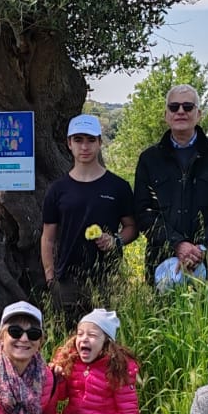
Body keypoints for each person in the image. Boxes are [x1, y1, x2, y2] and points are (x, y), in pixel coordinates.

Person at [132, 84, 208, 294]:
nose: (180, 111)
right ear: (166, 115)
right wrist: (177, 244)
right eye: (174, 107)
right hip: (161, 262)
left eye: (187, 106)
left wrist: (201, 247)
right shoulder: (149, 159)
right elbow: (142, 213)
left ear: (198, 114)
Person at [41, 115, 135, 318]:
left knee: (107, 336)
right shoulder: (57, 190)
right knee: (68, 337)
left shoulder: (119, 187)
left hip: (108, 281)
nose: (84, 147)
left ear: (100, 143)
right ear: (69, 143)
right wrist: (50, 277)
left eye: (91, 140)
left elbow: (132, 227)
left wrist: (116, 240)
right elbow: (48, 238)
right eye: (78, 140)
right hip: (66, 281)